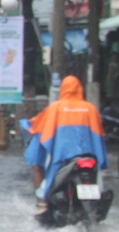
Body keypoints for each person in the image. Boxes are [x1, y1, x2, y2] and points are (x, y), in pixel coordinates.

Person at [24, 75, 106, 212]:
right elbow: (99, 137)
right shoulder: (90, 108)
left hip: (62, 158)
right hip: (89, 157)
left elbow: (42, 128)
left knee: (37, 165)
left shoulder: (56, 108)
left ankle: (42, 203)